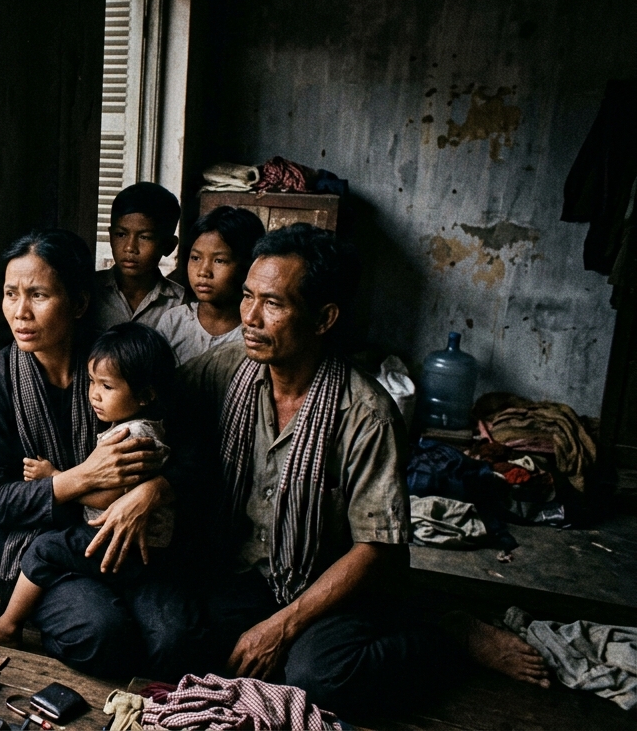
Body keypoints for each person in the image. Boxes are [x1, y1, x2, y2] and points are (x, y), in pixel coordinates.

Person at [169, 223, 550, 714]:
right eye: (247, 296)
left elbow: (377, 549)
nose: (250, 317)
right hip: (247, 572)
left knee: (321, 678)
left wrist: (281, 627)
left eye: (274, 304)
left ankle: (446, 636)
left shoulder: (366, 413)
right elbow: (153, 403)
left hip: (327, 585)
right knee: (178, 643)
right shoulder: (226, 371)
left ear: (324, 318)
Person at [0, 228, 180, 679]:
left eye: (38, 295)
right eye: (10, 294)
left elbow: (186, 448)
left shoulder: (112, 364)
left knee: (173, 637)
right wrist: (80, 479)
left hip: (127, 536)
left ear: (79, 304)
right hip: (40, 551)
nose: (20, 312)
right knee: (103, 633)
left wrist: (155, 488)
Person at [159, 206, 267, 363]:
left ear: (248, 265)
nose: (203, 272)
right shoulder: (174, 322)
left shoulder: (254, 332)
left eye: (219, 260)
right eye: (196, 258)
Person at [88, 182, 186, 334]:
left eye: (145, 237)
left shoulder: (181, 303)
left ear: (169, 246)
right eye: (121, 234)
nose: (130, 247)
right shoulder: (89, 291)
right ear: (111, 237)